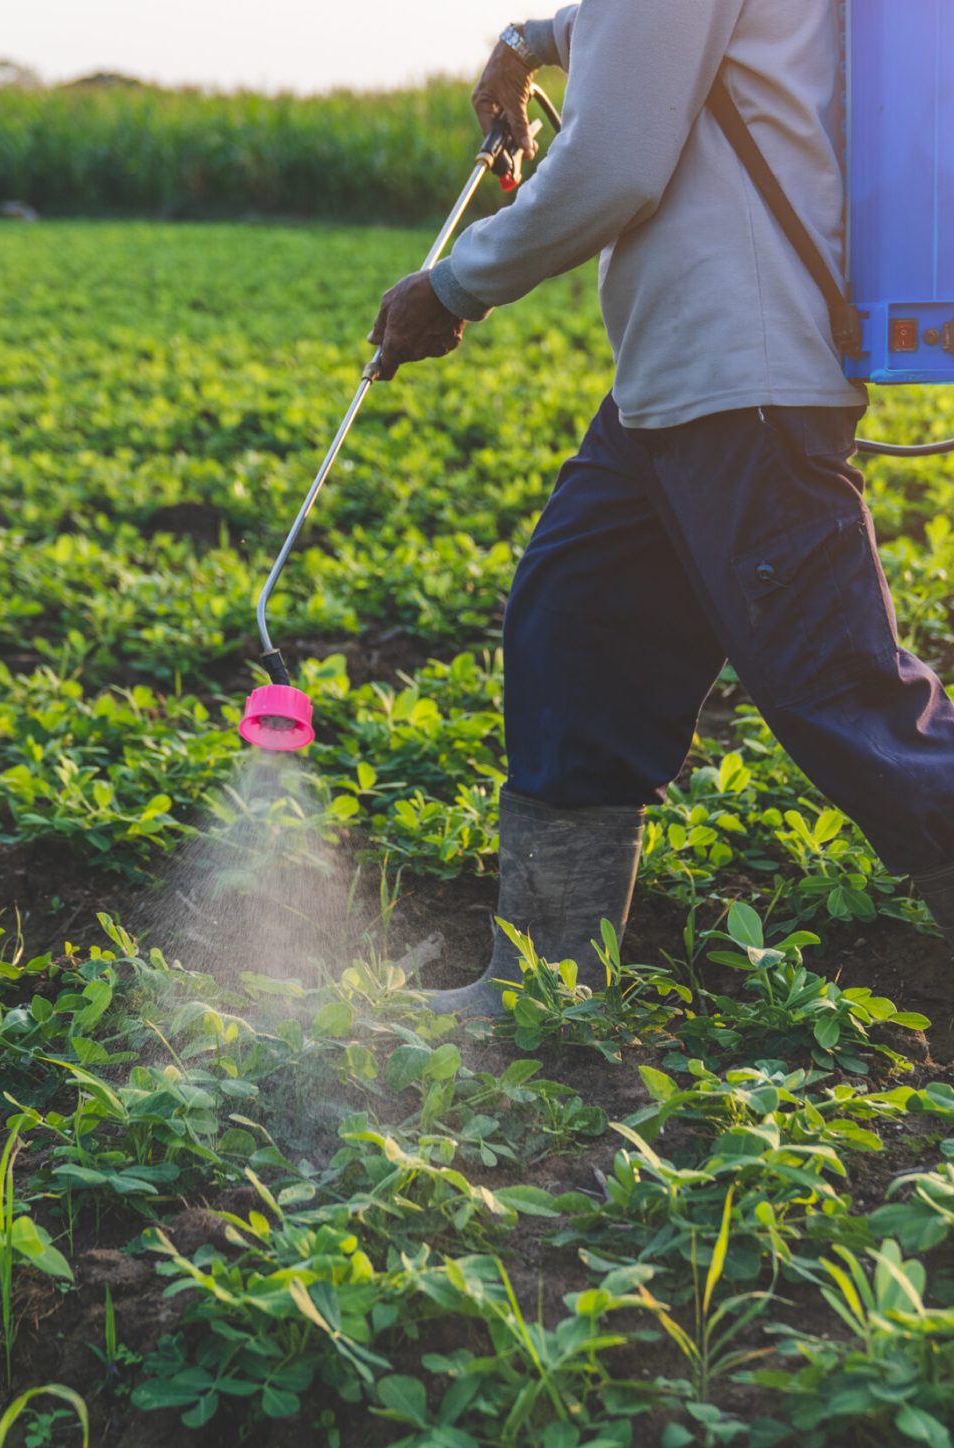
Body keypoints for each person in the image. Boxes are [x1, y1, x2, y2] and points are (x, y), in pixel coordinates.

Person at [369, 0, 954, 1014]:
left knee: (846, 701)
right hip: (672, 382)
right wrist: (524, 44)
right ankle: (544, 987)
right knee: (575, 643)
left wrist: (455, 285)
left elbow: (614, 166)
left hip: (741, 377)